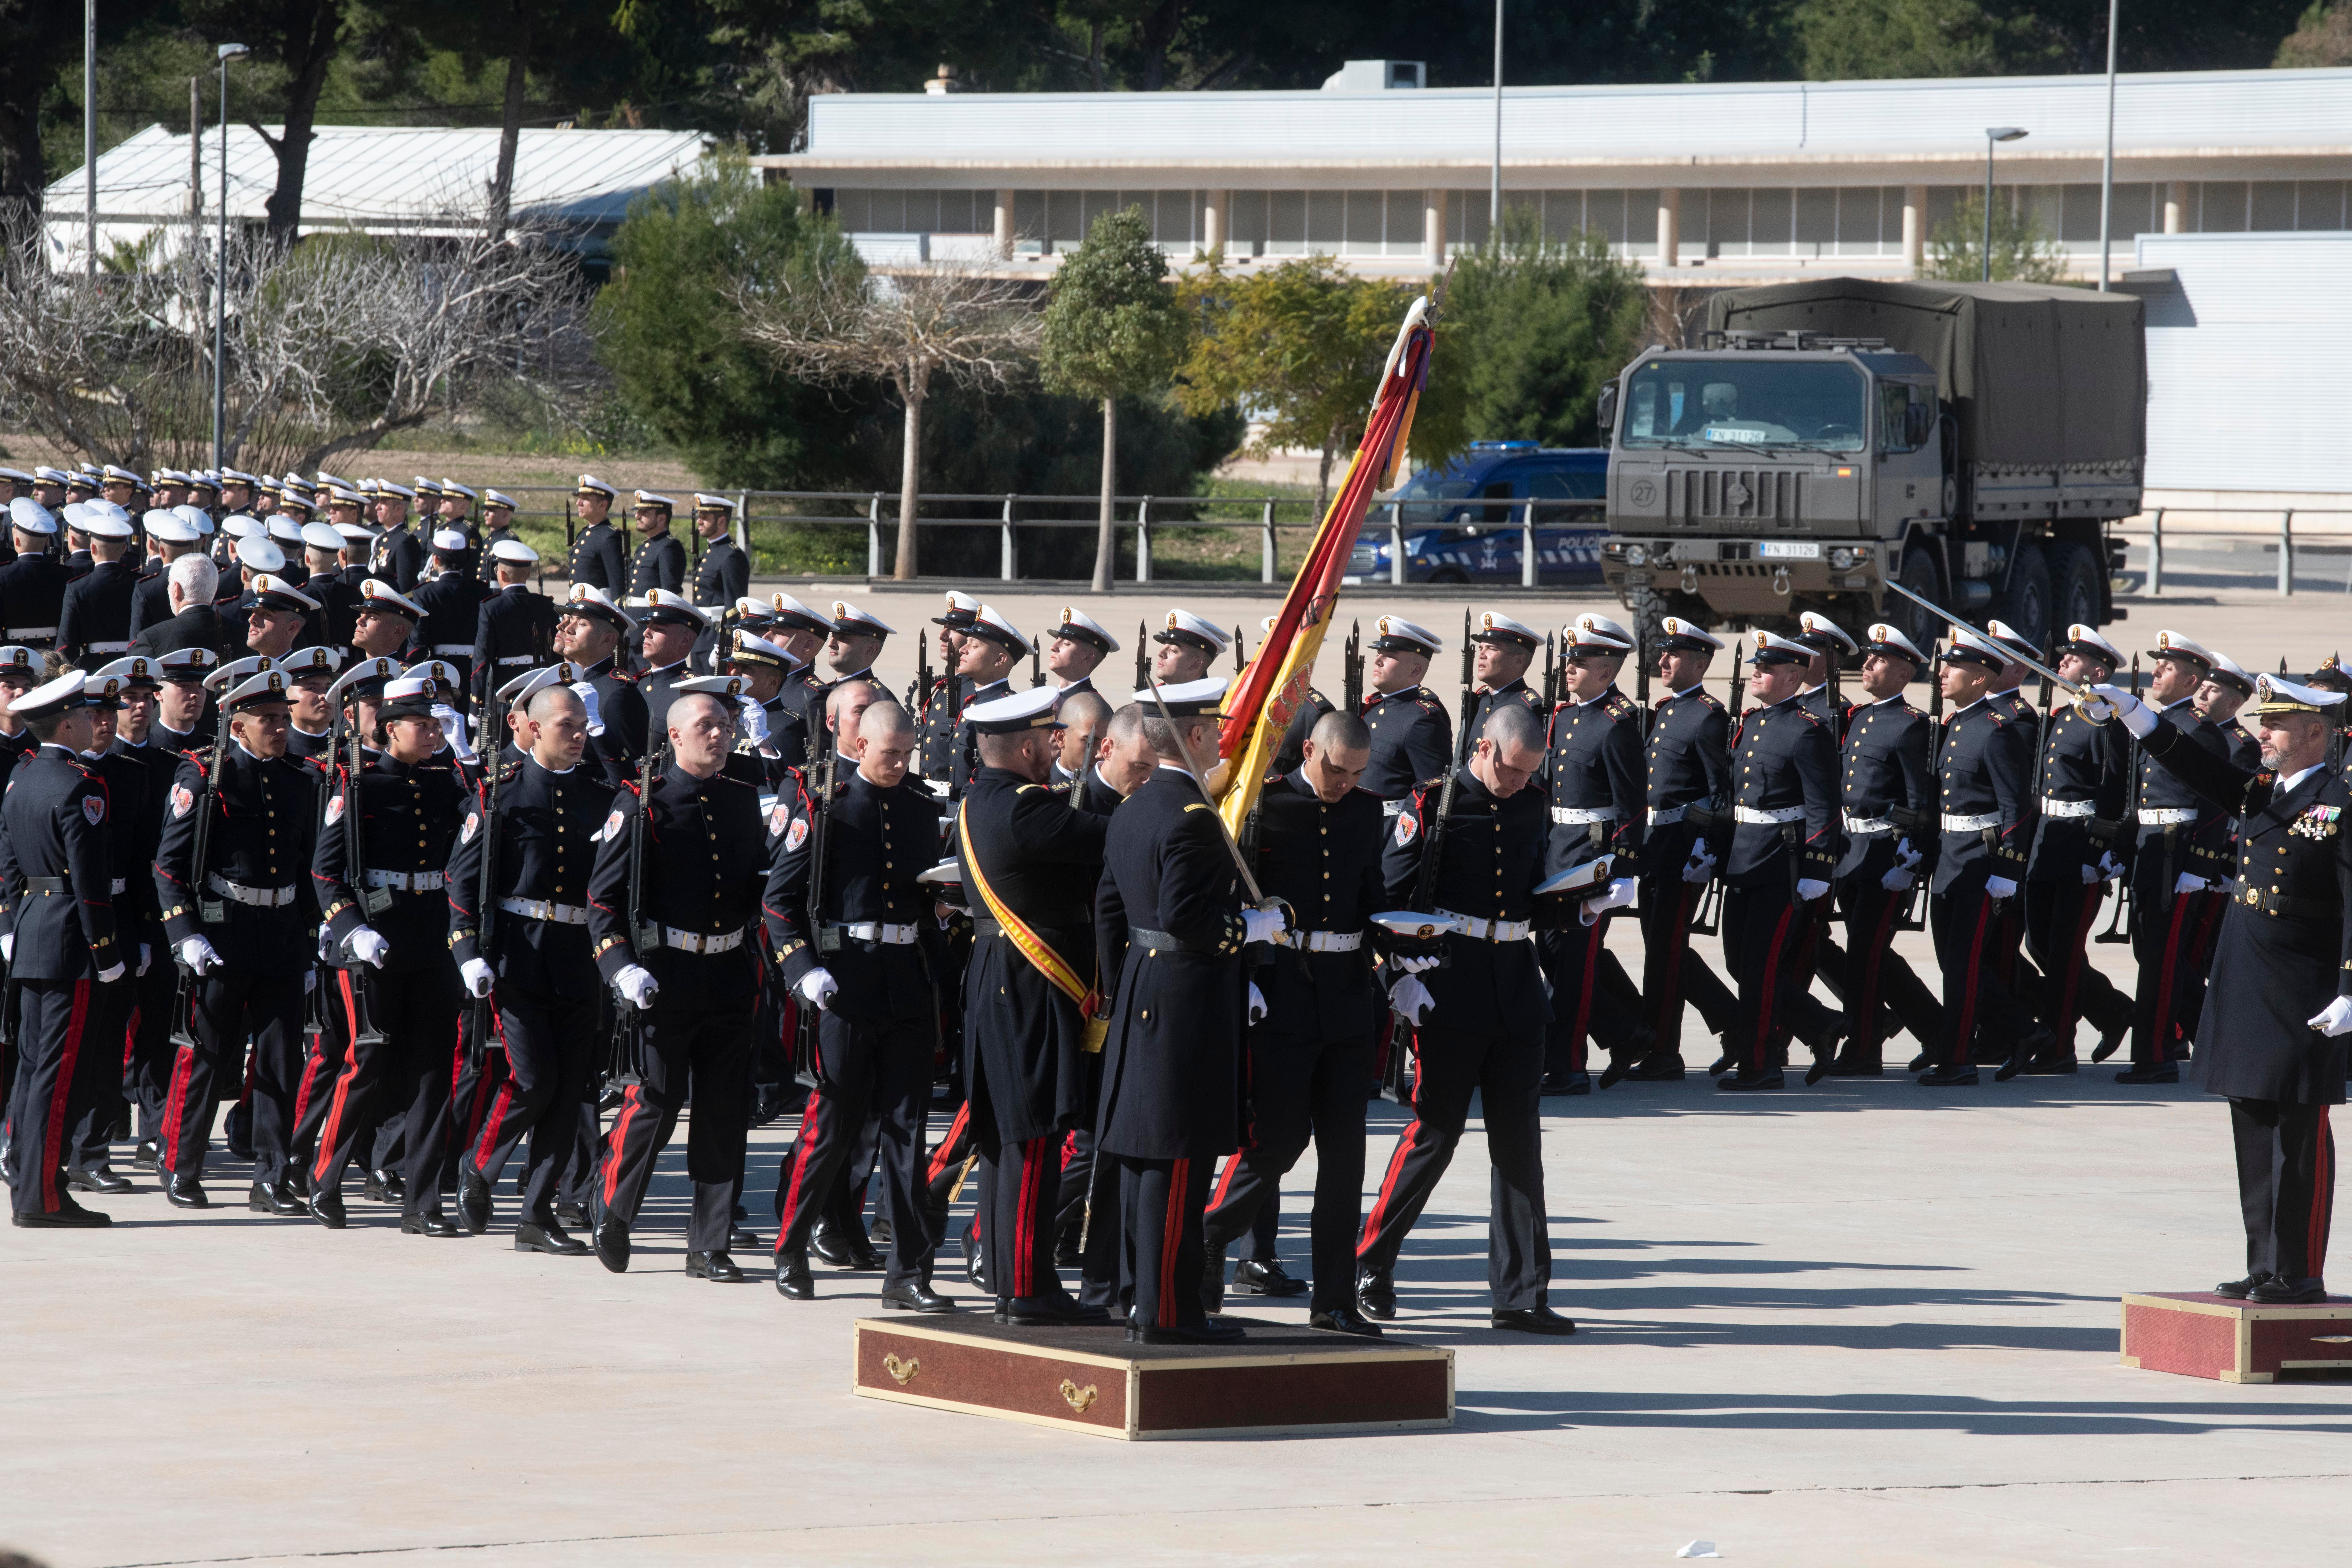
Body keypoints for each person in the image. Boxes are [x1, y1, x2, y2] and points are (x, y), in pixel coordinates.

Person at [2091, 671, 2348, 1304]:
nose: (2264, 732)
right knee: (2252, 1122)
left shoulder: (2340, 802)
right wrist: (2134, 713)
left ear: (2315, 733)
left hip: (2304, 986)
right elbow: (2200, 767)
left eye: (2277, 725)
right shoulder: (2261, 790)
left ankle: (2301, 1271)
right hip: (2247, 973)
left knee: (2298, 1130)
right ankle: (2263, 1264)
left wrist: (2350, 988)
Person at [1355, 700, 1576, 1335]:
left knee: (1519, 1146)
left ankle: (1521, 1292)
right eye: (1510, 771)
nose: (1516, 784)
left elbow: (1536, 890)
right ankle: (1370, 1263)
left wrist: (1577, 904)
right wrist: (1399, 976)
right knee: (1435, 1133)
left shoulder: (1532, 803)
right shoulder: (1433, 805)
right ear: (1483, 748)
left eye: (1528, 774)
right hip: (1447, 989)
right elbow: (1389, 903)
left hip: (1514, 987)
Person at [1202, 709, 1385, 1335]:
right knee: (1277, 1139)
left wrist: (1406, 949)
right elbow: (1232, 900)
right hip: (1282, 991)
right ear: (1309, 749)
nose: (1344, 783)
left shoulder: (1366, 810)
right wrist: (1246, 975)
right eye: (1336, 769)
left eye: (1356, 773)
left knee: (1345, 1157)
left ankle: (1334, 1300)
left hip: (1347, 997)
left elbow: (1371, 896)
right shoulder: (1266, 806)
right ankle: (1210, 1237)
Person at [1093, 676, 1261, 1343]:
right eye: (1215, 729)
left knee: (1143, 1157)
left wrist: (1118, 985)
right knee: (1179, 1158)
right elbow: (1189, 917)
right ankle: (1169, 1313)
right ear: (1191, 736)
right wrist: (1250, 930)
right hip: (1185, 998)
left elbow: (1111, 909)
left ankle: (1144, 1298)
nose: (1223, 737)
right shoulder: (1192, 816)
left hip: (1141, 988)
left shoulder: (1132, 806)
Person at [587, 684, 769, 1281]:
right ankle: (614, 1208)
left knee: (722, 1113)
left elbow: (754, 888)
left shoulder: (744, 799)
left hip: (727, 976)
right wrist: (622, 968)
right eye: (706, 727)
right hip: (664, 977)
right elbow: (601, 902)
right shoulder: (643, 804)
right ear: (674, 736)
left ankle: (709, 1243)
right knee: (656, 1104)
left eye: (725, 725)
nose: (720, 735)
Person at [944, 685, 1108, 1324]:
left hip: (1000, 982)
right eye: (1053, 739)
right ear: (1031, 744)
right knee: (1033, 1138)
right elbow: (1114, 833)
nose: (1059, 748)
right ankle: (1028, 1286)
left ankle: (1018, 1279)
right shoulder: (1025, 810)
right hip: (1028, 988)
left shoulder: (977, 801)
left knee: (1010, 1142)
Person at [447, 674, 615, 1255]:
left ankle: (537, 1215)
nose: (579, 737)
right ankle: (481, 1163)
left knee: (570, 1094)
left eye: (584, 728)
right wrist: (467, 951)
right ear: (536, 728)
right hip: (520, 956)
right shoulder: (503, 794)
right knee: (535, 1079)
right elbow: (462, 882)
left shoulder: (602, 795)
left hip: (579, 959)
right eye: (568, 727)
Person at [306, 673, 473, 1234]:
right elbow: (326, 873)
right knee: (367, 1063)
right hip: (376, 941)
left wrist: (469, 762)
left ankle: (422, 1201)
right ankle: (325, 1178)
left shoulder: (449, 783)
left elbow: (478, 838)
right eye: (422, 724)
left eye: (436, 723)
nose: (432, 732)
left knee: (433, 1074)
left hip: (432, 938)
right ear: (391, 728)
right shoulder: (359, 787)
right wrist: (353, 928)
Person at [152, 667, 320, 1210]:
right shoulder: (205, 775)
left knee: (279, 1060)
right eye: (267, 719)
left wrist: (314, 936)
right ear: (238, 726)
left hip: (281, 934)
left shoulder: (301, 777)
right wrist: (184, 931)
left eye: (281, 716)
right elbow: (169, 865)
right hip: (222, 933)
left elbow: (310, 863)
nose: (279, 726)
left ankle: (271, 1176)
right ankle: (181, 1161)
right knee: (206, 1056)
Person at [0, 670, 128, 1227]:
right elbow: (90, 882)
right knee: (58, 1071)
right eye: (86, 714)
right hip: (71, 943)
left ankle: (33, 1185)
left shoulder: (22, 778)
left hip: (32, 932)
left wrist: (10, 924)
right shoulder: (81, 784)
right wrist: (106, 951)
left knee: (32, 1070)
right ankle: (44, 1199)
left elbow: (7, 864)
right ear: (68, 720)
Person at [1916, 628, 2049, 1087]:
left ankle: (1958, 1061)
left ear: (1978, 679)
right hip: (1949, 861)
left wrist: (2008, 871)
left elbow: (2016, 807)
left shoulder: (1997, 731)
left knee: (1963, 967)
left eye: (1951, 669)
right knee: (1951, 963)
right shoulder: (1956, 726)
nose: (1941, 675)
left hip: (1980, 863)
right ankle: (2022, 1032)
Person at [1714, 630, 1840, 1092]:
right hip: (1743, 857)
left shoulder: (1807, 730)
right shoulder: (1752, 722)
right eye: (1756, 666)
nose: (1756, 673)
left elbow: (1825, 806)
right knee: (1739, 961)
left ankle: (1761, 1062)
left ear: (1792, 677)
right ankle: (1820, 1022)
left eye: (1766, 669)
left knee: (1761, 965)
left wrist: (1817, 869)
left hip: (1779, 862)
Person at [1821, 623, 1945, 1079]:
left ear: (1903, 674)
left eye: (1879, 661)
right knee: (1867, 955)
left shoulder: (1910, 727)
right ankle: (1936, 1028)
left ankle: (1864, 1048)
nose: (1867, 666)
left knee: (1867, 958)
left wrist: (1910, 862)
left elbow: (1921, 805)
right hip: (1851, 852)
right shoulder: (1859, 718)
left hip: (1884, 858)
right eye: (1869, 659)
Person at [1536, 611, 1649, 1093]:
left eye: (1580, 661)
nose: (1569, 668)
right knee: (1551, 953)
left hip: (1592, 857)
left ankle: (1570, 1065)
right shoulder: (1563, 716)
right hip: (1557, 850)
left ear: (1607, 669)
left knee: (1576, 966)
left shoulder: (1617, 722)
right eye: (1569, 660)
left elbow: (1631, 805)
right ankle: (1627, 1033)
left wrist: (1623, 870)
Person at [62, 665, 162, 1196]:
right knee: (59, 1044)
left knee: (105, 1043)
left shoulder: (131, 774)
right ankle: (44, 1147)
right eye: (96, 713)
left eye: (111, 711)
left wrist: (145, 930)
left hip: (119, 913)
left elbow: (147, 858)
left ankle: (92, 1152)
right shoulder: (59, 770)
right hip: (66, 918)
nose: (104, 722)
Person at [2122, 631, 2236, 1085]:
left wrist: (2200, 865)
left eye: (2166, 668)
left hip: (2179, 853)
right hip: (2152, 850)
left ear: (2191, 679)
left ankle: (2156, 1056)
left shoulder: (2200, 730)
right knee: (2151, 953)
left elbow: (2216, 804)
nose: (2156, 673)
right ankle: (2214, 1039)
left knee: (2163, 960)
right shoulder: (2159, 722)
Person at [2021, 624, 2132, 1072]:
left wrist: (2100, 850)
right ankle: (2113, 1011)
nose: (2063, 662)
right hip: (2049, 841)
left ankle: (2059, 1045)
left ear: (2099, 670)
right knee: (2040, 945)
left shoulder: (2108, 721)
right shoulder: (2063, 715)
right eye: (2064, 656)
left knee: (2065, 950)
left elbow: (2117, 792)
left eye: (2074, 658)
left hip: (2081, 846)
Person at [1631, 617, 1736, 1078]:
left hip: (1682, 852)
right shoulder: (1666, 709)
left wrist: (1706, 849)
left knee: (1665, 954)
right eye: (1662, 653)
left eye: (1674, 655)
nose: (1663, 661)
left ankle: (1663, 1050)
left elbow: (1720, 792)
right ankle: (1738, 1023)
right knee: (1663, 949)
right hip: (1656, 847)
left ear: (1700, 663)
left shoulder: (1709, 714)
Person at [1357, 614, 1451, 805]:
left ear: (1415, 671)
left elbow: (1433, 795)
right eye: (1379, 653)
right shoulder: (1373, 709)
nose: (1378, 661)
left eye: (1390, 656)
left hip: (1393, 828)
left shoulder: (1423, 721)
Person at [411, 529, 490, 704]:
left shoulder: (425, 593)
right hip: (474, 671)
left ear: (436, 560)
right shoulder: (482, 591)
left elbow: (418, 642)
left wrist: (408, 669)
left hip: (439, 671)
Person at [1457, 611, 1545, 763]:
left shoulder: (1528, 708)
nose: (1481, 655)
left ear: (1518, 661)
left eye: (1491, 649)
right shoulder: (1480, 701)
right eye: (1481, 649)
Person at [55, 501, 138, 663]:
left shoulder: (77, 588)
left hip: (92, 668)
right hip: (132, 666)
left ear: (93, 548)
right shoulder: (140, 584)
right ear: (124, 549)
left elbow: (65, 646)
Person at [633, 589, 710, 737]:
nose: (646, 633)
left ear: (685, 640)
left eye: (658, 629)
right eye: (648, 626)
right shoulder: (637, 683)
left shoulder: (692, 693)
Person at [688, 495, 748, 671]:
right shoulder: (710, 552)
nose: (699, 521)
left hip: (716, 637)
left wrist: (721, 645)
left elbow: (735, 606)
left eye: (705, 518)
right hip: (701, 635)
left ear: (722, 520)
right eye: (699, 517)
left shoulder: (732, 556)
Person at [128, 554, 226, 662]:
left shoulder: (152, 639)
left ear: (176, 590)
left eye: (169, 585)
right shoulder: (242, 633)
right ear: (215, 589)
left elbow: (136, 675)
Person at [0, 497, 67, 652]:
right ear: (46, 542)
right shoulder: (65, 576)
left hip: (11, 654)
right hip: (53, 654)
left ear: (16, 541)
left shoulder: (3, 576)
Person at [625, 491, 688, 599]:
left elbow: (670, 593)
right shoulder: (643, 547)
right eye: (638, 511)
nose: (637, 516)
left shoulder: (669, 548)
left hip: (650, 615)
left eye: (644, 512)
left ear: (662, 519)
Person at [1042, 607, 1117, 697]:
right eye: (1057, 640)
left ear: (1088, 657)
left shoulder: (1093, 706)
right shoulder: (1055, 699)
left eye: (1066, 643)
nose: (1053, 647)